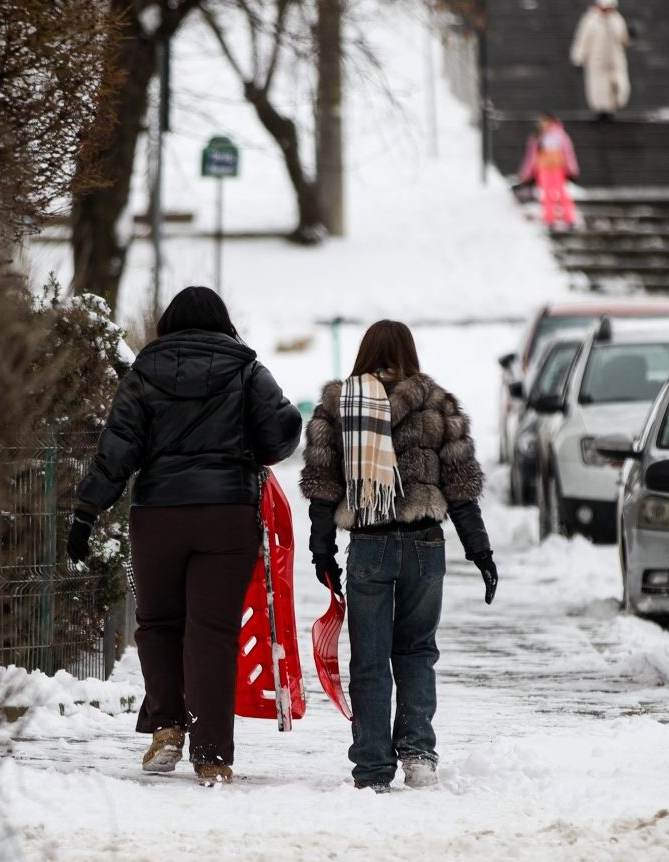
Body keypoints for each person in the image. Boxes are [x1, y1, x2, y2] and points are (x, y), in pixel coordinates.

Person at [67, 286, 302, 787]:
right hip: (227, 516)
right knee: (212, 634)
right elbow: (280, 432)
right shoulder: (247, 370)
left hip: (158, 516)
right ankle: (212, 755)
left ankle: (168, 728)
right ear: (222, 323)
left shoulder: (144, 373)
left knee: (158, 624)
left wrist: (88, 510)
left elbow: (118, 448)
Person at [300, 320, 498, 792]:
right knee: (416, 653)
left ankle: (371, 767)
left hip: (369, 546)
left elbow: (322, 490)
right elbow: (461, 487)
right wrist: (481, 551)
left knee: (368, 659)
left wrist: (321, 550)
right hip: (425, 545)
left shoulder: (336, 406)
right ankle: (418, 754)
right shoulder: (438, 405)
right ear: (410, 351)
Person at [570, 0, 631, 117]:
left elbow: (623, 38)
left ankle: (614, 107)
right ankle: (602, 112)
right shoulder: (590, 21)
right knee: (599, 90)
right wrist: (578, 59)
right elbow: (582, 40)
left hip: (615, 62)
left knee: (619, 86)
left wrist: (629, 36)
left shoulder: (617, 20)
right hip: (597, 63)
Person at [517, 114, 580, 230]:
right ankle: (549, 218)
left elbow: (568, 153)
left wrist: (572, 168)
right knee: (546, 194)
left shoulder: (560, 135)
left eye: (545, 121)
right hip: (543, 169)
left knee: (562, 193)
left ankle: (569, 217)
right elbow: (531, 156)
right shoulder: (537, 136)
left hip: (557, 169)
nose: (543, 124)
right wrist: (526, 172)